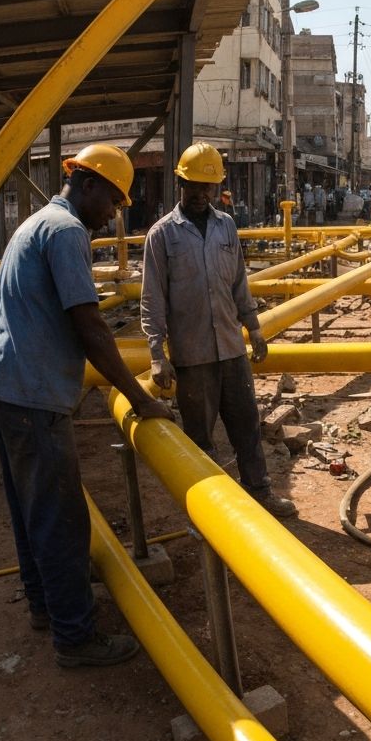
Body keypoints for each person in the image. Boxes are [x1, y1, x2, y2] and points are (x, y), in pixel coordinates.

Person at [0, 144, 173, 667]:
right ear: (88, 185)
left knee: (31, 510)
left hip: (4, 388)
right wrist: (138, 399)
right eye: (112, 201)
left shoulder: (37, 222)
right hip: (34, 394)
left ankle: (47, 606)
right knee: (62, 518)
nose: (113, 215)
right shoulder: (67, 234)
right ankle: (75, 638)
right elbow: (89, 326)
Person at [141, 142, 297, 519]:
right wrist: (156, 356)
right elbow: (152, 298)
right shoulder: (162, 235)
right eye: (193, 185)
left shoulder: (226, 226)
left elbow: (238, 283)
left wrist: (255, 329)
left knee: (247, 428)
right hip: (192, 356)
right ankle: (210, 512)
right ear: (181, 183)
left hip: (231, 348)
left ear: (216, 189)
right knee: (200, 439)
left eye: (206, 187)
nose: (200, 193)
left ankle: (260, 495)